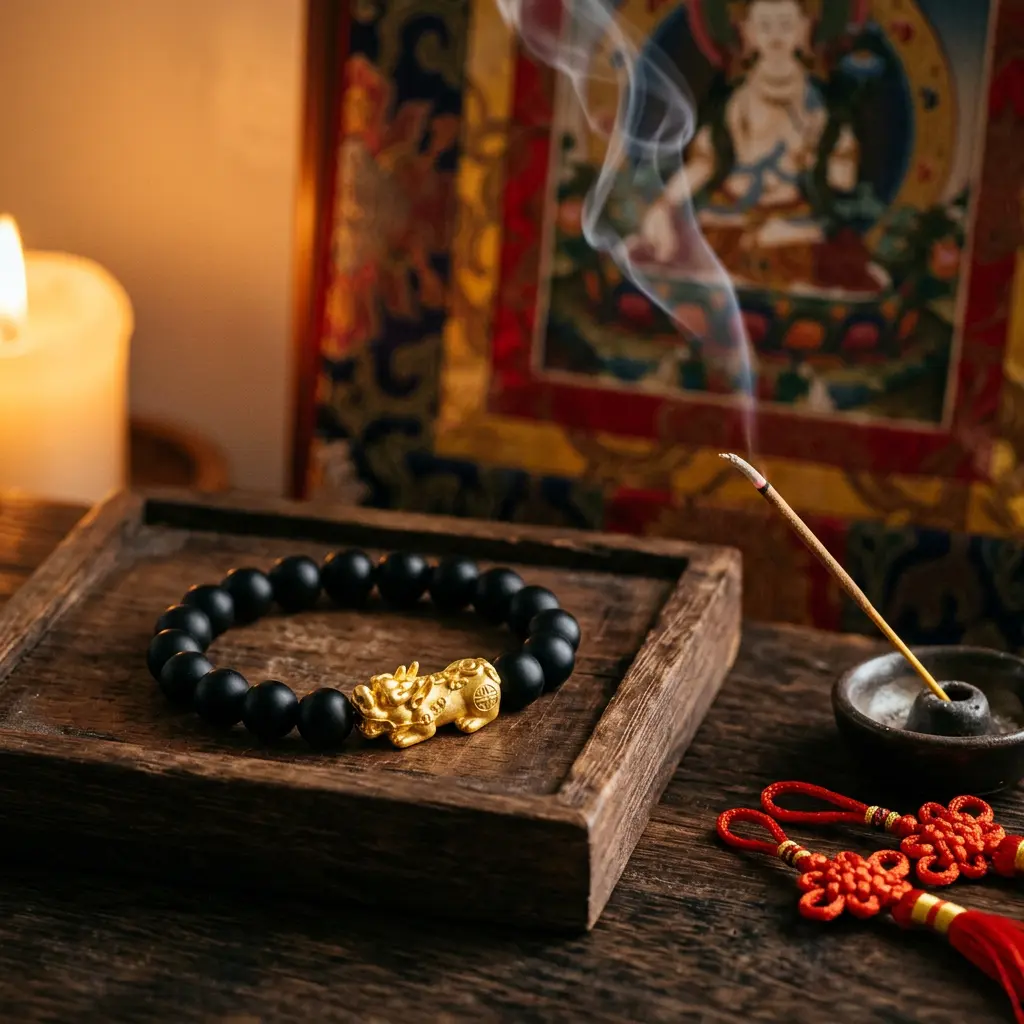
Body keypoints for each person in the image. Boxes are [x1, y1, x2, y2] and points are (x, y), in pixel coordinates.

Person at [637, 0, 875, 292]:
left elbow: (843, 179)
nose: (776, 35)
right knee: (674, 258)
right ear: (746, 33)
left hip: (794, 224)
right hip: (728, 217)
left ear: (805, 30)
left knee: (836, 268)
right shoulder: (734, 101)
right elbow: (705, 162)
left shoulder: (823, 106)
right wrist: (665, 205)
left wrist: (818, 155)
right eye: (764, 25)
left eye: (786, 25)